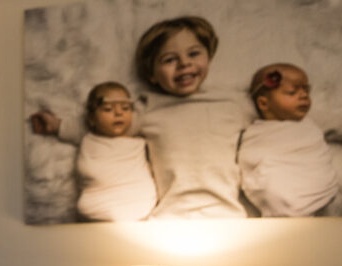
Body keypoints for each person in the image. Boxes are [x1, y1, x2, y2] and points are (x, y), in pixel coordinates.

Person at [32, 16, 251, 218]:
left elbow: (274, 113)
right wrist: (59, 126)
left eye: (194, 54)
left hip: (227, 211)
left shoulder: (233, 103)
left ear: (209, 58)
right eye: (169, 60)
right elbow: (105, 124)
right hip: (169, 215)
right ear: (152, 75)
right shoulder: (148, 109)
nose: (184, 63)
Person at [238, 63, 342, 216]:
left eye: (306, 90)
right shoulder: (256, 131)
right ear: (264, 103)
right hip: (277, 193)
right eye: (292, 92)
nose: (304, 96)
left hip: (315, 192)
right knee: (274, 185)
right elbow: (251, 158)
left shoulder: (312, 120)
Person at [74, 81, 157, 221]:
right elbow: (71, 129)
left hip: (137, 199)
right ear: (91, 119)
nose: (119, 113)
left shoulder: (135, 136)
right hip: (97, 201)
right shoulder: (88, 138)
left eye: (125, 108)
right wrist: (55, 125)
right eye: (107, 109)